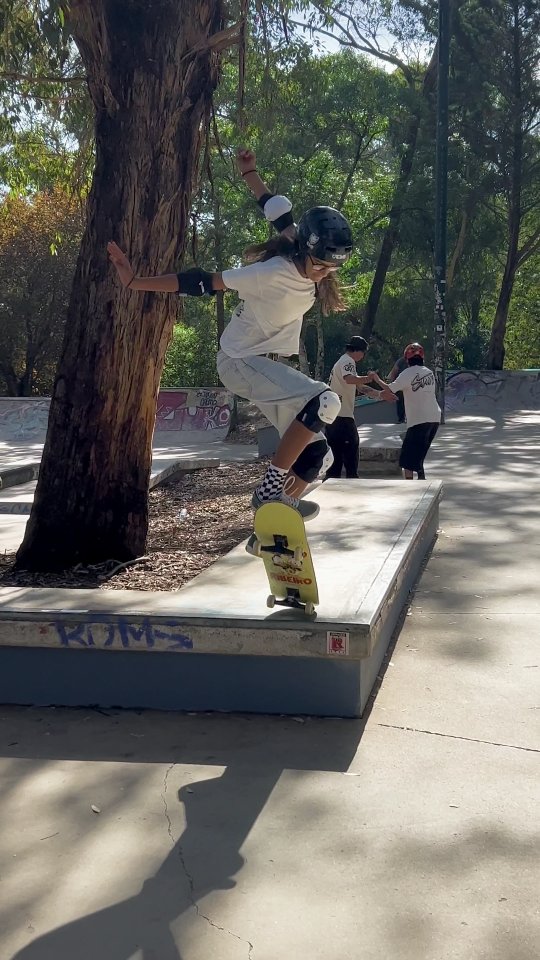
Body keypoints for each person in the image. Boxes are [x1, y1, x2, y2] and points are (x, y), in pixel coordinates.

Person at [107, 147, 353, 524]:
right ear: (307, 250)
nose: (322, 273)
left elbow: (275, 209)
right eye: (319, 264)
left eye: (330, 268)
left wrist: (249, 173)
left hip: (261, 365)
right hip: (238, 361)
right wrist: (136, 281)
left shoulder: (299, 242)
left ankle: (276, 513)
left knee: (316, 453)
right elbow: (201, 282)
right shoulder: (268, 273)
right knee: (325, 402)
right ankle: (267, 493)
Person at [371, 343, 441, 479]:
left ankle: (410, 485)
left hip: (418, 420)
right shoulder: (429, 372)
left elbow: (389, 389)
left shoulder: (407, 373)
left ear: (407, 359)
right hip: (434, 418)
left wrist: (376, 378)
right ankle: (421, 479)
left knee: (407, 459)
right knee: (419, 452)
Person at [324, 336, 380, 479]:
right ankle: (352, 479)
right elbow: (349, 379)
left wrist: (380, 395)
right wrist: (369, 378)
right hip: (342, 416)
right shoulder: (348, 361)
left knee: (336, 454)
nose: (363, 356)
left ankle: (331, 482)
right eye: (363, 353)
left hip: (333, 416)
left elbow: (359, 387)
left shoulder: (341, 362)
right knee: (351, 449)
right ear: (357, 351)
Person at [387, 352, 408, 423]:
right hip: (400, 385)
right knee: (401, 402)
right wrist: (393, 384)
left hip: (409, 385)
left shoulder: (416, 361)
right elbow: (394, 371)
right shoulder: (401, 361)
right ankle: (401, 419)